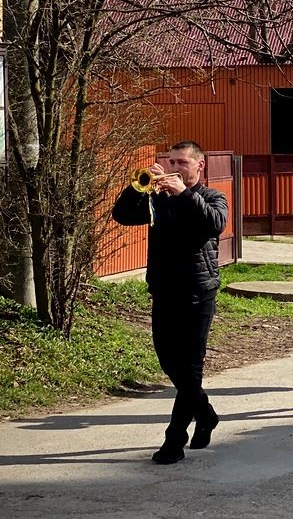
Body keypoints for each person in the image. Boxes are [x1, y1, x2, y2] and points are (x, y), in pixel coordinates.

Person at [112, 141, 228, 465]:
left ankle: (174, 440)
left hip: (198, 291)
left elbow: (214, 224)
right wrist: (138, 188)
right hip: (164, 289)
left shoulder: (212, 197)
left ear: (199, 166)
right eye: (170, 161)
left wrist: (184, 194)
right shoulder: (157, 200)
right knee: (168, 360)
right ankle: (205, 413)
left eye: (181, 162)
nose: (174, 167)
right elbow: (121, 215)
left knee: (190, 369)